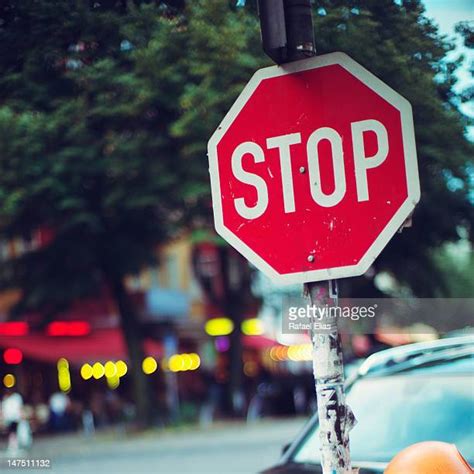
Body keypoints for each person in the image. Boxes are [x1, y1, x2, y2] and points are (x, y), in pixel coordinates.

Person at [2, 389, 24, 454]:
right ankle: (13, 445)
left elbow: (19, 408)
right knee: (13, 432)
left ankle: (14, 445)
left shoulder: (15, 398)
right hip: (11, 418)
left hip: (14, 418)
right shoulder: (9, 399)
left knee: (13, 432)